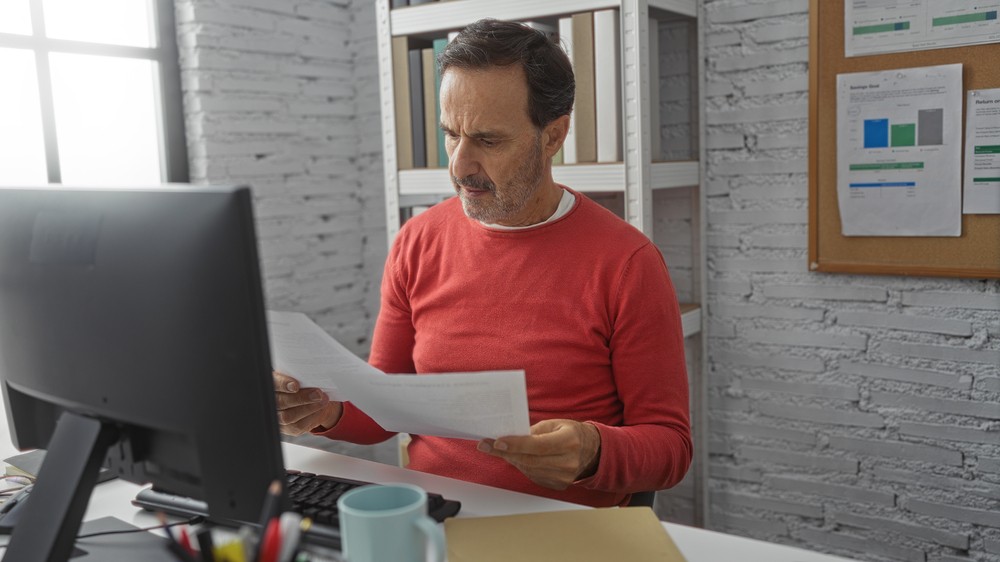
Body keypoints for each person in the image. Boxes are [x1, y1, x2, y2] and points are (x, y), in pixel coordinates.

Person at [273, 18, 691, 508]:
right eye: (451, 135)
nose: (459, 166)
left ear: (553, 135)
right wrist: (323, 409)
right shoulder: (418, 242)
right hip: (436, 513)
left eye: (488, 141)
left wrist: (594, 451)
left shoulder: (627, 263)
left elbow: (671, 447)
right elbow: (380, 407)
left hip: (562, 525)